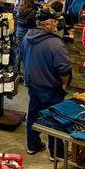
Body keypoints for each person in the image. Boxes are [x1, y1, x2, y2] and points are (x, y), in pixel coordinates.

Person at [20, 8, 72, 159]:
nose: (57, 23)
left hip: (33, 84)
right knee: (54, 119)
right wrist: (63, 85)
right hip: (51, 87)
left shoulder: (26, 37)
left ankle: (33, 144)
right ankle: (57, 153)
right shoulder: (55, 43)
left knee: (34, 114)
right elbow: (64, 69)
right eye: (54, 21)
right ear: (48, 24)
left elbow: (22, 57)